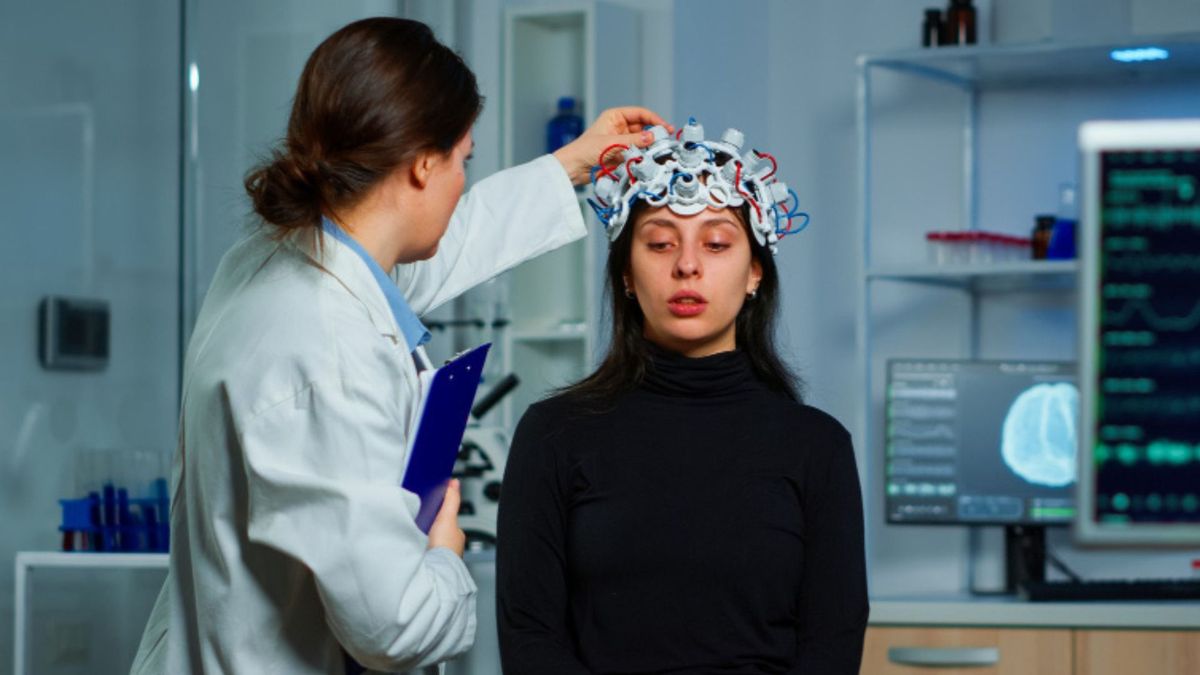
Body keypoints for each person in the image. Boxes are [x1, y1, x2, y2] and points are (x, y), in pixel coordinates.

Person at [129, 17, 667, 675]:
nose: (463, 181)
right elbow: (394, 626)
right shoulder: (323, 349)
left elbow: (444, 246)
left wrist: (574, 163)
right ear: (420, 165)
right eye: (463, 160)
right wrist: (445, 545)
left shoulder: (273, 262)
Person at [496, 119, 868, 674]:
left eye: (716, 243)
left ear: (754, 274)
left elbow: (833, 642)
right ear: (626, 273)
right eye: (660, 243)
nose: (687, 265)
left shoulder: (817, 446)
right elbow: (530, 638)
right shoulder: (554, 434)